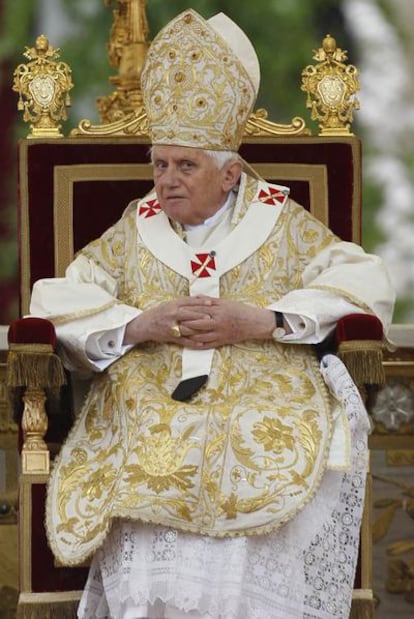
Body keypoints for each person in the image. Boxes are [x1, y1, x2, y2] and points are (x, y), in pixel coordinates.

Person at [30, 9, 395, 619]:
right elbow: (57, 296)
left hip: (262, 386)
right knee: (156, 435)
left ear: (229, 174)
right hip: (153, 390)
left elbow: (362, 277)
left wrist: (267, 319)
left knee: (252, 432)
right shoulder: (136, 226)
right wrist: (134, 325)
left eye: (185, 166)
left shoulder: (280, 220)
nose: (166, 181)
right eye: (160, 163)